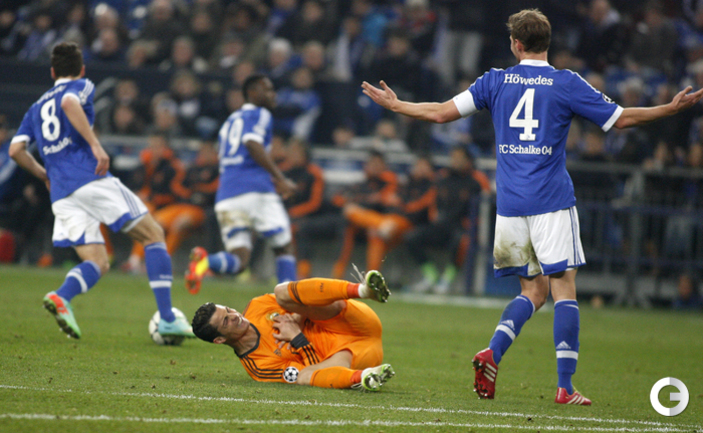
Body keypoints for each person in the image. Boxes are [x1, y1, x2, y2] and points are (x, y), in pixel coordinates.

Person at [361, 9, 703, 405]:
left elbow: (439, 112)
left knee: (533, 290)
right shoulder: (566, 82)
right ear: (547, 42)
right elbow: (621, 119)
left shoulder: (495, 81)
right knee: (564, 287)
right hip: (551, 201)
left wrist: (398, 105)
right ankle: (565, 386)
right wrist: (669, 109)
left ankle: (493, 352)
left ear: (516, 44)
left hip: (510, 205)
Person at [8, 42, 194, 339]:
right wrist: (95, 145)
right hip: (89, 178)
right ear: (81, 69)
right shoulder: (81, 85)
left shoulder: (36, 107)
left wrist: (44, 174)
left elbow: (16, 150)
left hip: (62, 193)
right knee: (154, 234)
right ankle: (168, 318)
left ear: (52, 72)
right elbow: (69, 103)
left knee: (97, 261)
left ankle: (61, 296)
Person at [191, 269, 395, 391]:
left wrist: (297, 318)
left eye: (229, 310)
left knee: (282, 292)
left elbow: (302, 300)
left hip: (349, 320)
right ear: (219, 340)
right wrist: (297, 338)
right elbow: (314, 370)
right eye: (226, 321)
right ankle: (365, 377)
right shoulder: (260, 367)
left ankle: (362, 290)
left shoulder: (257, 306)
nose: (235, 316)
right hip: (353, 356)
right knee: (303, 378)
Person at [186, 75, 298, 294]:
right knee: (284, 246)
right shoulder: (261, 113)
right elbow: (252, 143)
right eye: (268, 89)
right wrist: (280, 178)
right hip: (255, 190)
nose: (273, 94)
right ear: (253, 93)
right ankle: (291, 302)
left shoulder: (229, 121)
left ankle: (205, 262)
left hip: (227, 195)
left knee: (239, 261)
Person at [405, 147, 482, 294]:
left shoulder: (475, 182)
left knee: (461, 241)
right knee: (411, 237)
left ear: (468, 161)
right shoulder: (442, 179)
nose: (455, 161)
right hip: (441, 225)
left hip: (460, 227)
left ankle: (446, 280)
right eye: (453, 157)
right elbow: (431, 202)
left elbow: (481, 208)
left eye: (459, 157)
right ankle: (431, 276)